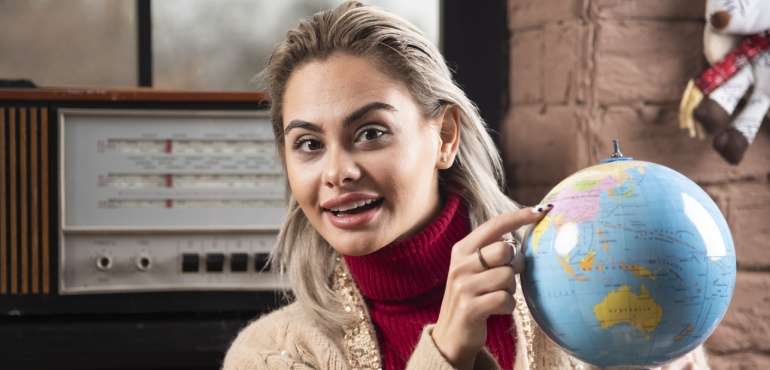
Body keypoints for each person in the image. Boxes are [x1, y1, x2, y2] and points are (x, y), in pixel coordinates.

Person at [224, 2, 710, 369]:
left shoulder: (601, 279)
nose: (337, 172)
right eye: (308, 143)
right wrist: (446, 352)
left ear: (445, 136)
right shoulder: (270, 354)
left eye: (370, 133)